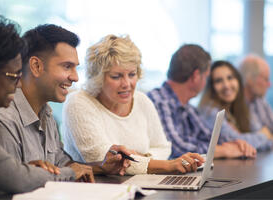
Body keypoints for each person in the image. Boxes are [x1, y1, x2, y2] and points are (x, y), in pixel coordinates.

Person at [0, 23, 131, 194]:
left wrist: (102, 167)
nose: (75, 77)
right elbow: (16, 182)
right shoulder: (4, 118)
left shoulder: (45, 113)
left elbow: (64, 165)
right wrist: (67, 172)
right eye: (67, 66)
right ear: (36, 66)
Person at [62, 34, 204, 175]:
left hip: (139, 185)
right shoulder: (78, 103)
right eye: (116, 76)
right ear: (98, 78)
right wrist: (167, 165)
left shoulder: (141, 100)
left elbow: (163, 147)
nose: (127, 84)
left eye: (132, 74)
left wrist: (144, 159)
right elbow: (105, 160)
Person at [147, 44, 257, 159]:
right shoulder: (159, 102)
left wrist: (237, 144)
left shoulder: (188, 108)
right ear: (196, 76)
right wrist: (223, 150)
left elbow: (210, 137)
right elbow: (175, 149)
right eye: (206, 76)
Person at [198, 60, 272, 151]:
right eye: (218, 81)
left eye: (230, 78)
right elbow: (236, 142)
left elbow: (261, 139)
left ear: (238, 81)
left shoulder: (236, 108)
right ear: (211, 87)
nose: (226, 85)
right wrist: (264, 135)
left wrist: (264, 137)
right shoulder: (210, 111)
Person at [239, 55, 273, 136]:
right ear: (249, 78)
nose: (269, 84)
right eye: (266, 79)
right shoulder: (237, 106)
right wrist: (266, 136)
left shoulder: (260, 101)